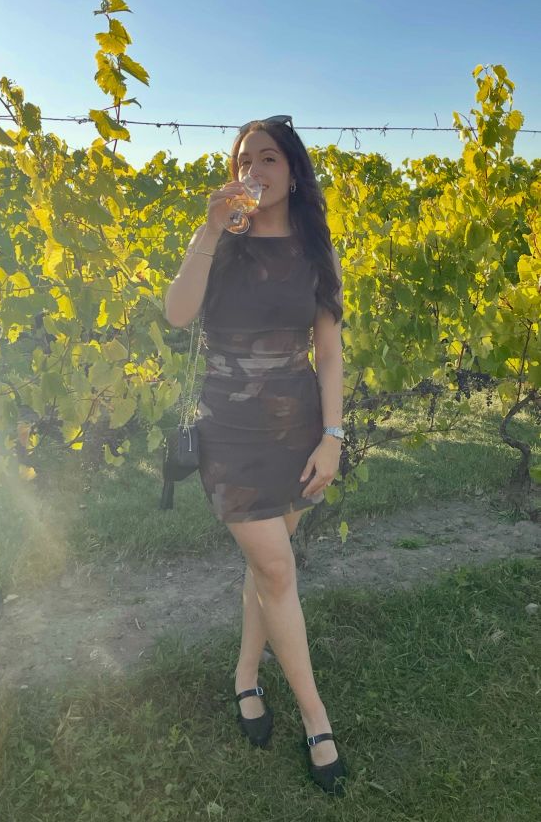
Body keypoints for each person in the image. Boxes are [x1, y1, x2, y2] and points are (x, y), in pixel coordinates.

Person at [164, 115, 347, 795]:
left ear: (293, 172)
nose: (254, 171)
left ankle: (245, 676)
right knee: (275, 568)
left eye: (268, 158)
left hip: (296, 428)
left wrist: (332, 437)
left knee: (265, 569)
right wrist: (209, 229)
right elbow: (176, 314)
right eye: (245, 159)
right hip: (229, 432)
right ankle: (316, 719)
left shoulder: (315, 251)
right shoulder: (222, 243)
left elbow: (327, 355)